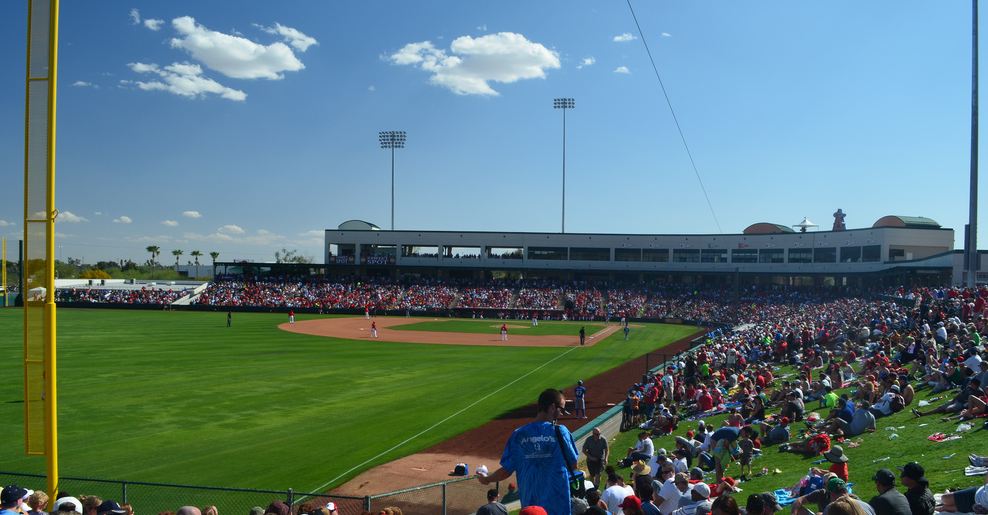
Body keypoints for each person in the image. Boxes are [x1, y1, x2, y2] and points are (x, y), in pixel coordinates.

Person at [480, 388, 579, 515]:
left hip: (530, 508)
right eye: (561, 409)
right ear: (553, 407)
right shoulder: (561, 432)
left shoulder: (519, 435)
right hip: (558, 506)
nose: (561, 414)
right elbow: (573, 464)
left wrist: (487, 479)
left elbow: (505, 471)